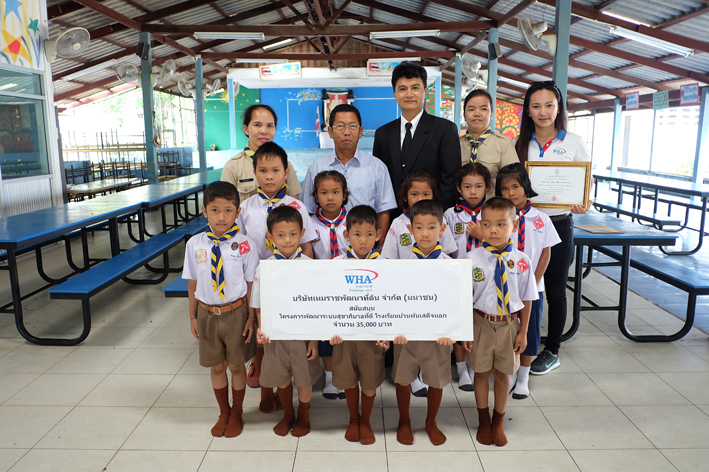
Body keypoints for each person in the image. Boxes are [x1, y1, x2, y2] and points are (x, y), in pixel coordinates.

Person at [514, 81, 592, 375]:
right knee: (522, 284)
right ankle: (518, 339)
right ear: (528, 110)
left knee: (556, 289)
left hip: (559, 224)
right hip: (525, 224)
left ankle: (552, 349)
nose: (543, 111)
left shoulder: (573, 142)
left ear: (559, 108)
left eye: (549, 105)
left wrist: (583, 202)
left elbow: (586, 182)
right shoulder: (519, 144)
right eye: (536, 106)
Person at [237, 141, 317, 411]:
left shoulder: (296, 206)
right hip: (261, 282)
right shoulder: (245, 208)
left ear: (286, 172)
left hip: (292, 286)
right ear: (255, 172)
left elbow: (306, 245)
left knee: (289, 338)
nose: (269, 176)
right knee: (265, 338)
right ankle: (265, 390)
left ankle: (294, 387)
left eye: (275, 170)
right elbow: (240, 246)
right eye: (262, 170)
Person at [183, 181, 259, 438]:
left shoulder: (246, 245)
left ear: (238, 212)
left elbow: (251, 285)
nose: (221, 216)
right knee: (217, 366)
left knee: (237, 366)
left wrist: (251, 317)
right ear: (204, 211)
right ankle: (223, 411)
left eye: (228, 210)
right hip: (207, 313)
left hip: (237, 313)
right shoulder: (195, 244)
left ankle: (237, 412)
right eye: (215, 210)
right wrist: (192, 315)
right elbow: (193, 281)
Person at [464, 197, 537, 447]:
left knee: (504, 375)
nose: (493, 230)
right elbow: (462, 299)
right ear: (480, 226)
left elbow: (528, 299)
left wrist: (523, 332)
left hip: (509, 325)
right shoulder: (470, 259)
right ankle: (483, 420)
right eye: (486, 224)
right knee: (481, 372)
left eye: (500, 224)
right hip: (480, 323)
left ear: (514, 226)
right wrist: (465, 330)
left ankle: (498, 421)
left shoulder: (522, 261)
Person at [253, 206, 321, 437]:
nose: (287, 240)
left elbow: (316, 306)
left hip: (302, 336)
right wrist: (262, 327)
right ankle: (288, 414)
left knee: (304, 379)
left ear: (302, 233)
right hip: (276, 335)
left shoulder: (311, 267)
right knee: (281, 379)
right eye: (280, 235)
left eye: (293, 234)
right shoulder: (265, 268)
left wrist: (313, 340)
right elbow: (259, 303)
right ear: (270, 236)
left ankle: (304, 414)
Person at [392, 199, 454, 446]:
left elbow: (455, 303)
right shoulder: (400, 266)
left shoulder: (450, 266)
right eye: (419, 227)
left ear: (441, 230)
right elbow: (393, 300)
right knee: (402, 377)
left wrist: (452, 331)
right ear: (410, 230)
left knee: (436, 379)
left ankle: (431, 422)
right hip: (406, 335)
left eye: (431, 227)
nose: (425, 233)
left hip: (438, 335)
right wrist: (394, 329)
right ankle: (404, 420)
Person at [497, 163, 560, 400]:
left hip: (533, 289)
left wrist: (533, 281)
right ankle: (510, 373)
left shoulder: (541, 218)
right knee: (508, 332)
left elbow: (546, 252)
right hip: (505, 287)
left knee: (529, 333)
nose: (511, 193)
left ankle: (523, 377)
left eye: (515, 186)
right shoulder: (500, 218)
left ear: (526, 186)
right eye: (504, 189)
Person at [329, 205, 388, 445]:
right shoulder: (335, 265)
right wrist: (330, 329)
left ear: (378, 235)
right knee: (349, 380)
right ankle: (353, 419)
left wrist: (388, 333)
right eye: (356, 234)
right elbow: (328, 300)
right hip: (344, 335)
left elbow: (392, 302)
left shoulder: (386, 265)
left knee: (370, 381)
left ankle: (366, 421)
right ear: (346, 235)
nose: (363, 240)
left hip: (373, 336)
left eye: (368, 234)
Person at [303, 103, 397, 249]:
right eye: (340, 126)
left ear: (360, 131)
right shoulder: (316, 168)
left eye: (352, 126)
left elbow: (383, 211)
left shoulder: (377, 167)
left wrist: (379, 248)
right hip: (325, 252)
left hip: (366, 252)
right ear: (330, 131)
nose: (347, 132)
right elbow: (309, 211)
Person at [373, 62, 460, 212]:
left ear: (425, 91)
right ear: (394, 94)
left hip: (432, 219)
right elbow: (380, 180)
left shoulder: (445, 130)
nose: (409, 94)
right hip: (394, 221)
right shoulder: (383, 134)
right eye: (402, 88)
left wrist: (435, 217)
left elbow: (450, 181)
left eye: (415, 88)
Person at [444, 162, 492, 391]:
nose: (473, 192)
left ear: (487, 188)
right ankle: (462, 369)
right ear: (458, 188)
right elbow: (444, 248)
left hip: (486, 279)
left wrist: (482, 236)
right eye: (467, 186)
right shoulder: (450, 215)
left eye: (479, 186)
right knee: (461, 324)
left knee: (478, 324)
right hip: (458, 277)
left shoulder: (492, 213)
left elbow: (501, 241)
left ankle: (475, 367)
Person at [309, 170, 350, 400]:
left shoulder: (352, 220)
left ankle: (343, 376)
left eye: (336, 192)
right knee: (325, 333)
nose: (330, 197)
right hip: (322, 288)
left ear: (345, 195)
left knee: (343, 332)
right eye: (324, 193)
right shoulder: (310, 223)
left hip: (347, 287)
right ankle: (329, 377)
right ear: (316, 196)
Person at [221, 104, 302, 203]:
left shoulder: (285, 164)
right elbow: (225, 206)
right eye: (257, 125)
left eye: (270, 126)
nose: (264, 131)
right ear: (246, 129)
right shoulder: (233, 166)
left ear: (275, 129)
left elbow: (295, 203)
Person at [382, 171, 458, 263]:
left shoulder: (441, 219)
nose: (420, 199)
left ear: (433, 196)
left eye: (426, 194)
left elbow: (447, 252)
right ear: (405, 197)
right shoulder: (398, 223)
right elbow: (389, 257)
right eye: (414, 194)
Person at [459, 90, 519, 198]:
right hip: (459, 210)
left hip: (493, 209)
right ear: (464, 115)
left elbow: (513, 182)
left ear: (491, 114)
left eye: (483, 109)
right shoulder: (454, 144)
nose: (477, 113)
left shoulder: (504, 144)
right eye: (471, 109)